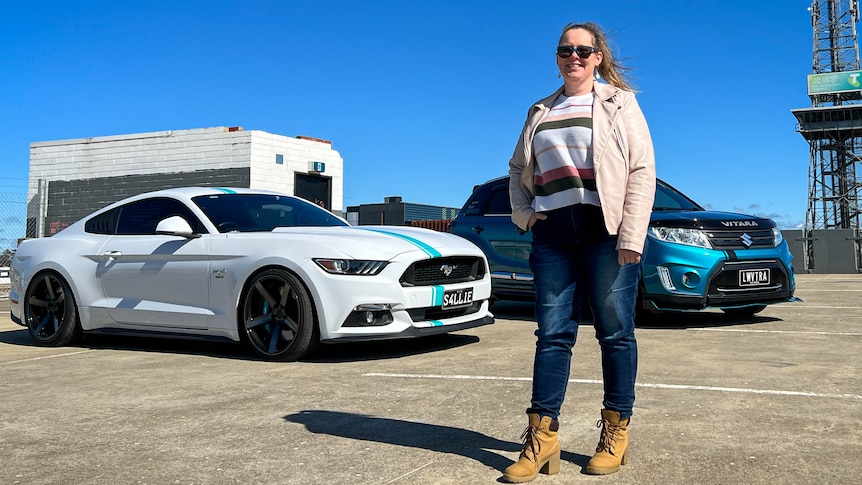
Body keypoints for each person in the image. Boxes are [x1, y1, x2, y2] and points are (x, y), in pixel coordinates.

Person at [502, 21, 655, 482]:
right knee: (551, 335)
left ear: (598, 58)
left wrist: (631, 236)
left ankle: (615, 431)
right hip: (552, 233)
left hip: (604, 229)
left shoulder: (619, 103)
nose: (574, 57)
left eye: (583, 51)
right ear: (557, 57)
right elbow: (515, 169)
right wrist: (524, 214)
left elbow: (642, 169)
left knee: (615, 332)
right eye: (565, 50)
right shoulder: (539, 110)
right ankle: (542, 436)